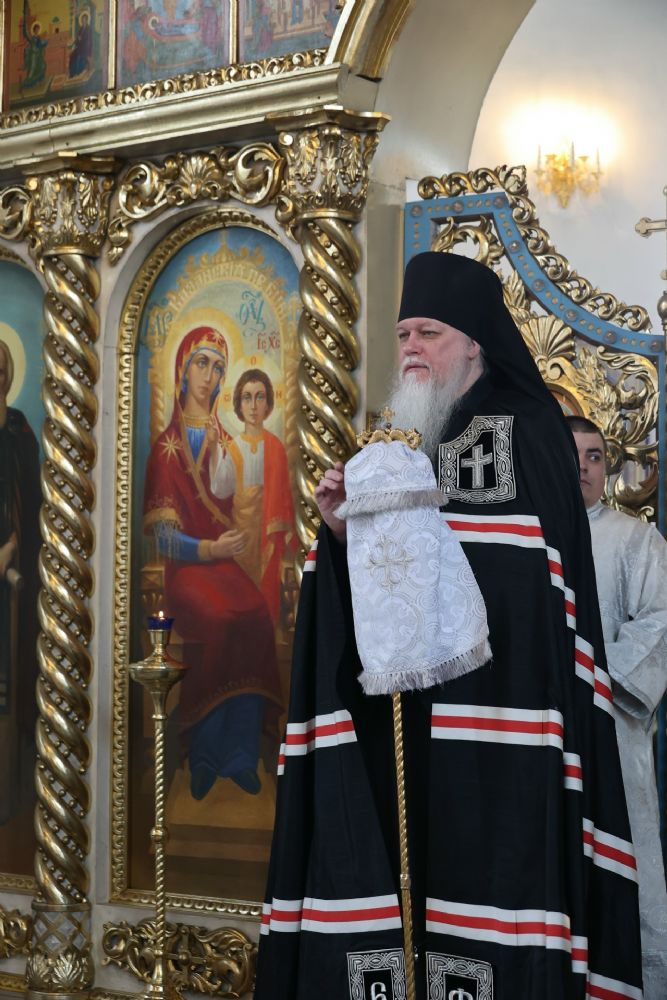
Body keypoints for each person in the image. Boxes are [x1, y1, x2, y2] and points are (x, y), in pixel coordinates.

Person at [255, 252, 643, 999]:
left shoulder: (526, 430)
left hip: (500, 727)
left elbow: (536, 588)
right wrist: (341, 534)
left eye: (428, 333)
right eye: (403, 334)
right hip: (401, 722)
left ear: (474, 343)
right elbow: (372, 587)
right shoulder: (392, 441)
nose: (411, 349)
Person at [143, 326, 283, 801]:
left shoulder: (229, 440)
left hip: (225, 565)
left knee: (257, 616)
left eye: (218, 367)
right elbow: (164, 537)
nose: (210, 375)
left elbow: (245, 500)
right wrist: (210, 550)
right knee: (222, 619)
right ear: (183, 370)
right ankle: (203, 751)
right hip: (188, 571)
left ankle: (240, 753)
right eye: (201, 363)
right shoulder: (166, 447)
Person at [567, 414, 667, 998]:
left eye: (595, 456)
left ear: (608, 468)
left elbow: (660, 621)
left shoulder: (636, 540)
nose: (583, 466)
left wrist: (597, 683)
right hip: (546, 736)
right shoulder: (526, 537)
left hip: (614, 733)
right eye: (571, 453)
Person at [208, 368, 294, 623]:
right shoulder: (235, 447)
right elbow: (220, 488)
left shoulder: (276, 447)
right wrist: (213, 446)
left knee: (266, 595)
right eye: (247, 397)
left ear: (268, 404)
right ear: (238, 404)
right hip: (242, 535)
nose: (253, 406)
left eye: (259, 397)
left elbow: (283, 498)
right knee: (242, 597)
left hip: (267, 534)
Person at [0, 340, 41, 823]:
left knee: (12, 682)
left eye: (0, 371)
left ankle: (10, 790)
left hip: (12, 574)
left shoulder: (19, 429)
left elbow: (32, 500)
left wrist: (15, 550)